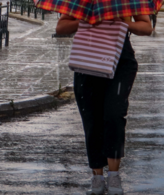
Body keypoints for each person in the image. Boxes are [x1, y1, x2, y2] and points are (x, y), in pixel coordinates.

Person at [56, 14, 153, 195]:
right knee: (92, 120)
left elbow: (146, 28)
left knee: (114, 115)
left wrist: (124, 23)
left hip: (120, 63)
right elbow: (61, 27)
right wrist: (86, 21)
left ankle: (114, 175)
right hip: (88, 62)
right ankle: (97, 177)